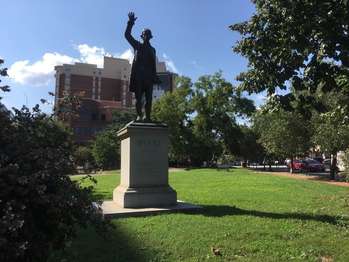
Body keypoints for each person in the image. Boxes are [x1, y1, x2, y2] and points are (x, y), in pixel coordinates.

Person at [125, 12, 159, 122]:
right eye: (144, 34)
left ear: (150, 36)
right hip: (139, 77)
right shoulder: (137, 45)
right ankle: (139, 115)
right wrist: (131, 23)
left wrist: (154, 76)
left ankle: (148, 117)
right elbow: (127, 35)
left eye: (147, 34)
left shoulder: (153, 50)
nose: (146, 36)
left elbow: (153, 65)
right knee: (138, 98)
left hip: (148, 78)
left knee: (149, 99)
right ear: (142, 36)